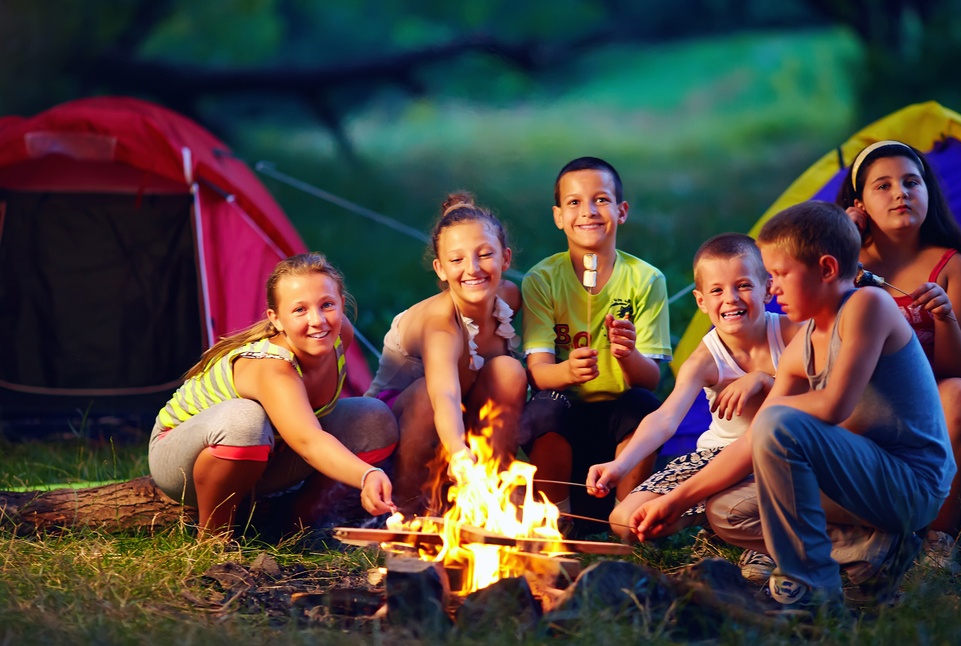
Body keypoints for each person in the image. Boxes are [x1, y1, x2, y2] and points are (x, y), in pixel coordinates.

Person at [633, 201, 955, 615]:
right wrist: (676, 500)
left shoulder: (867, 306)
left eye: (780, 274)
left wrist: (770, 410)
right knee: (726, 511)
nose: (773, 287)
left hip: (910, 483)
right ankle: (871, 549)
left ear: (825, 269)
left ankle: (811, 589)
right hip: (855, 486)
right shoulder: (800, 348)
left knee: (778, 418)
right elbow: (753, 441)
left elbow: (836, 403)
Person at [149, 252, 399, 537]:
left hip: (269, 452)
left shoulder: (340, 336)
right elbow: (308, 440)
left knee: (374, 417)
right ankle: (214, 538)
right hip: (181, 457)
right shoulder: (271, 367)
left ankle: (297, 527)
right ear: (276, 319)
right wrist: (367, 474)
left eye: (327, 305)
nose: (317, 321)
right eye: (300, 310)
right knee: (245, 419)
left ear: (342, 305)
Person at [586, 233, 800, 543]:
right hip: (717, 459)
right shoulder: (705, 359)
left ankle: (736, 523)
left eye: (743, 285)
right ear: (701, 301)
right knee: (625, 522)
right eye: (717, 290)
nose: (731, 299)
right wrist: (620, 464)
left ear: (768, 288)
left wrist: (764, 380)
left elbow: (820, 398)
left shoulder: (792, 334)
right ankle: (711, 512)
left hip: (781, 457)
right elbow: (665, 418)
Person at [836, 140, 961, 562]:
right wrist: (843, 241)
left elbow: (956, 367)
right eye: (882, 186)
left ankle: (937, 542)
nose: (900, 193)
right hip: (860, 402)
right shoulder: (839, 263)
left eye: (911, 182)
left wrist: (945, 317)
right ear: (859, 204)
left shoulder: (953, 267)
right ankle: (855, 534)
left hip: (928, 405)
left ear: (928, 193)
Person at [520, 156, 671, 525]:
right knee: (545, 405)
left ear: (621, 211)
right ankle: (559, 519)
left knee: (644, 404)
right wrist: (568, 371)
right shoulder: (542, 281)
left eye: (600, 200)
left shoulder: (646, 280)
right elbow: (538, 374)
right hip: (564, 423)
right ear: (558, 216)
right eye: (574, 202)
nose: (587, 211)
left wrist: (628, 355)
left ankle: (624, 516)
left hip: (619, 426)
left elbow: (650, 381)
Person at [365, 192, 526, 514]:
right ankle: (411, 506)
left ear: (505, 259)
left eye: (485, 255)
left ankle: (489, 492)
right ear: (440, 269)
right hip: (395, 425)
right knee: (427, 393)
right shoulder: (441, 325)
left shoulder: (509, 297)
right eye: (457, 260)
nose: (473, 269)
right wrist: (458, 452)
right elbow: (445, 396)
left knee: (509, 371)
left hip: (460, 417)